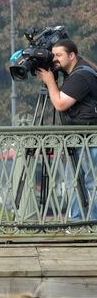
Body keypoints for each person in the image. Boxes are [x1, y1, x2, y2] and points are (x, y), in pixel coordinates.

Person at [35, 38, 97, 218]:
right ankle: (78, 221)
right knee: (75, 180)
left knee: (90, 181)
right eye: (53, 55)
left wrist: (49, 81)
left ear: (72, 55)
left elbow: (60, 104)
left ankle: (91, 222)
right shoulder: (74, 74)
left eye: (58, 55)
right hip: (79, 137)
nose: (55, 59)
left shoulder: (80, 76)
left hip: (89, 137)